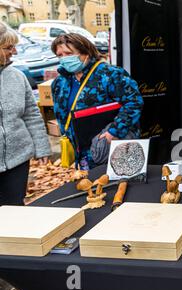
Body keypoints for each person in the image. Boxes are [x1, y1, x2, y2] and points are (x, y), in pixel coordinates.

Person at [51, 33, 143, 170]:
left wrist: (114, 132)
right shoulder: (59, 83)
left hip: (114, 146)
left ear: (86, 53)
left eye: (68, 53)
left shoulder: (110, 74)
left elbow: (133, 102)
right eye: (60, 55)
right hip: (83, 153)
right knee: (93, 189)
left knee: (123, 188)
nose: (64, 58)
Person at [0, 22, 51, 205]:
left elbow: (31, 114)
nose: (14, 51)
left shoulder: (17, 76)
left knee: (15, 209)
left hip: (18, 159)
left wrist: (42, 146)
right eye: (8, 47)